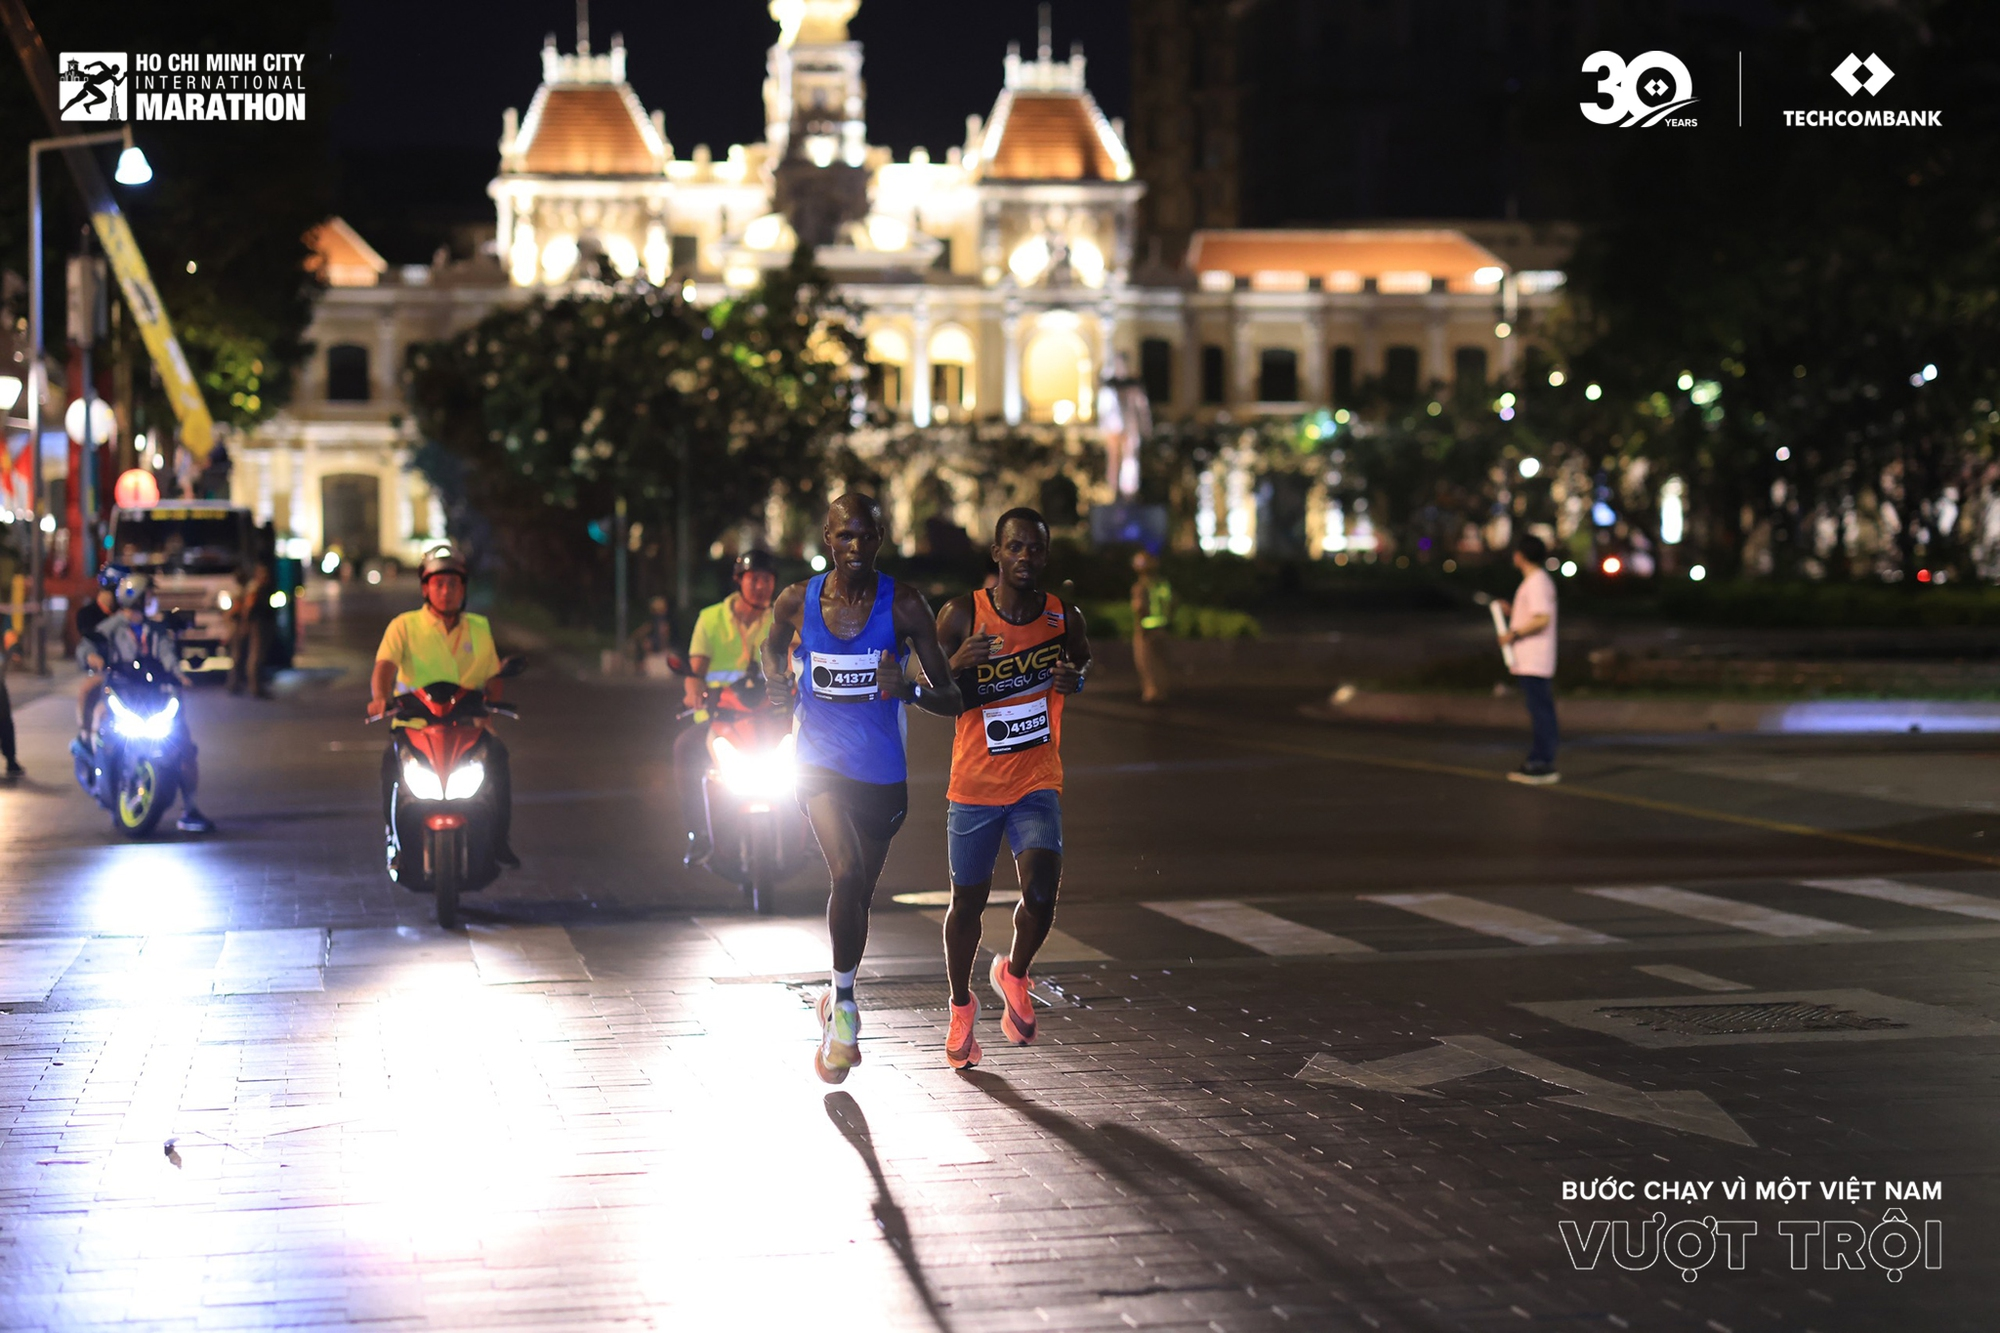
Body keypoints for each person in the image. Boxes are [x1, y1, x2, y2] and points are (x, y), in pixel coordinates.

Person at [761, 495, 962, 1083]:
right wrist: (778, 679)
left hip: (882, 777)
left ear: (880, 540)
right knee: (846, 873)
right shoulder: (797, 600)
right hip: (817, 762)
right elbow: (773, 646)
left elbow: (952, 699)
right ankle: (846, 1008)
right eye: (844, 536)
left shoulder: (904, 605)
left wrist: (911, 690)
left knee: (859, 893)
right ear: (826, 538)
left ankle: (834, 997)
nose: (855, 547)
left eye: (866, 536)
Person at [933, 508, 1090, 1068]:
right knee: (967, 906)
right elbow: (925, 684)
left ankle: (1014, 973)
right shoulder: (962, 615)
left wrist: (1076, 678)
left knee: (1042, 894)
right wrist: (956, 662)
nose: (1025, 558)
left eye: (1036, 550)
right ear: (996, 554)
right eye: (1015, 548)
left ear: (1046, 557)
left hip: (1036, 781)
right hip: (973, 786)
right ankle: (960, 1004)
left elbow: (1081, 661)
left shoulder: (1062, 616)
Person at [367, 546, 516, 865]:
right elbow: (384, 668)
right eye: (438, 584)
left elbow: (492, 677)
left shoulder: (478, 627)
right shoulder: (403, 626)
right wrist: (380, 698)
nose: (446, 591)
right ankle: (395, 840)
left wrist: (493, 700)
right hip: (414, 725)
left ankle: (499, 839)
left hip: (468, 725)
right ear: (425, 588)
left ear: (463, 589)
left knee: (499, 758)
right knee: (390, 769)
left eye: (453, 584)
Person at [76, 573, 213, 832]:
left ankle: (191, 808)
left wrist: (179, 674)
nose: (153, 600)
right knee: (103, 721)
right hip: (122, 692)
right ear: (136, 598)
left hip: (154, 696)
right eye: (149, 595)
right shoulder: (111, 627)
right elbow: (86, 648)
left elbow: (167, 655)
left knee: (183, 745)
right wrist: (93, 658)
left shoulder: (157, 629)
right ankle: (97, 770)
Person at [675, 551, 778, 864]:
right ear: (739, 580)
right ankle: (699, 834)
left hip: (770, 719)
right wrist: (694, 693)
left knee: (811, 749)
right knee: (684, 749)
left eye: (767, 579)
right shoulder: (710, 618)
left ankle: (812, 831)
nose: (761, 586)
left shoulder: (781, 619)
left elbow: (795, 657)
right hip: (722, 720)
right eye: (754, 578)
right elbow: (695, 674)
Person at [1498, 534, 1560, 784]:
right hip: (1532, 659)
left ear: (1520, 556)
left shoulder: (1536, 582)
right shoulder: (1537, 582)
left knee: (1541, 711)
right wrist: (1513, 613)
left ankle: (1542, 763)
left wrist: (1513, 633)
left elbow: (1542, 618)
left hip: (1535, 659)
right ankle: (1540, 760)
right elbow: (1536, 614)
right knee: (1540, 710)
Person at [225, 558, 274, 697]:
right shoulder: (254, 589)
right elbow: (247, 608)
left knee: (241, 655)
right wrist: (245, 624)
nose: (265, 577)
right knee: (253, 656)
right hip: (254, 624)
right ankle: (254, 687)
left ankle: (237, 684)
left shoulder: (253, 588)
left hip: (249, 624)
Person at [1129, 550, 1173, 704]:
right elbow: (1173, 603)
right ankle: (1162, 690)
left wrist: (1140, 628)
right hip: (1162, 627)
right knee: (1162, 662)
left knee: (1147, 663)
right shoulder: (1162, 584)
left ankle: (1152, 693)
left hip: (1146, 629)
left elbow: (1140, 609)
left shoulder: (1140, 587)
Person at [629, 594, 675, 673]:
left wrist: (664, 646)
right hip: (655, 640)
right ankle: (640, 664)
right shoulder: (656, 619)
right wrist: (635, 635)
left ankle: (641, 665)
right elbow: (647, 628)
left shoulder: (662, 620)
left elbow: (664, 633)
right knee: (642, 643)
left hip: (657, 643)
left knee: (646, 644)